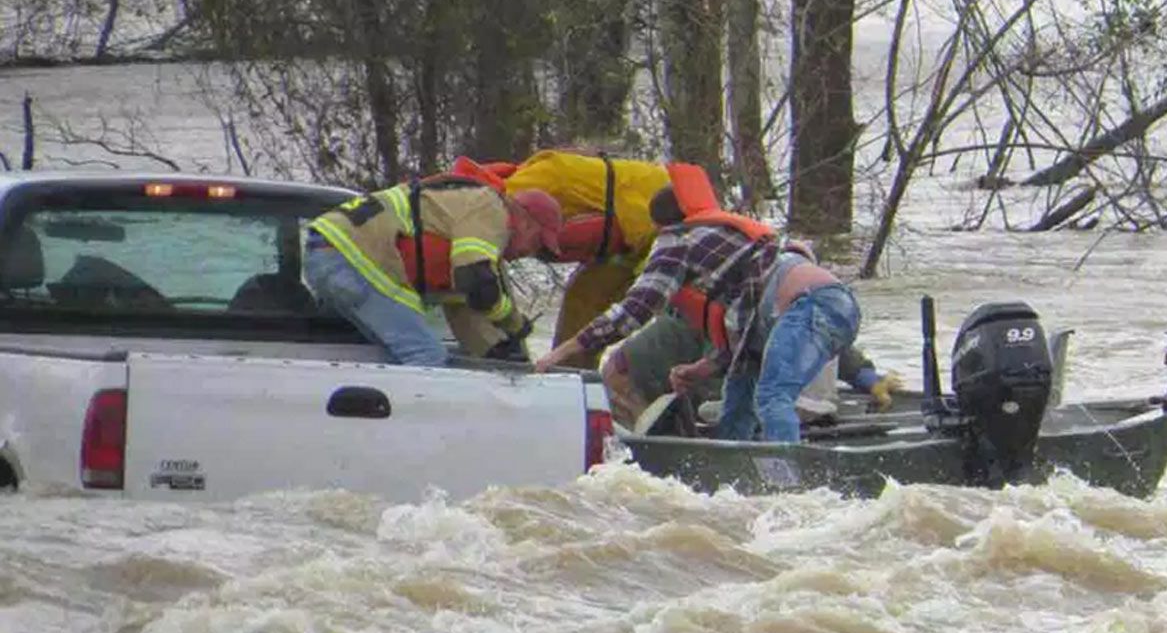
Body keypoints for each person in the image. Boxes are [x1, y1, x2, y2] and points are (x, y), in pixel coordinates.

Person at [534, 162, 863, 443]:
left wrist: (562, 352)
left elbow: (635, 309)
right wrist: (698, 370)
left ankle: (789, 482)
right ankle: (733, 472)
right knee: (737, 399)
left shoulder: (678, 237)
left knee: (772, 397)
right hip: (819, 310)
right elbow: (739, 339)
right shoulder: (727, 243)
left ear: (662, 225)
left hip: (812, 306)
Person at [305, 175, 564, 366]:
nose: (529, 254)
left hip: (329, 251)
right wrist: (512, 321)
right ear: (527, 222)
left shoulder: (462, 223)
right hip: (353, 257)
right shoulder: (492, 211)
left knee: (390, 357)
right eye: (538, 244)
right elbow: (476, 283)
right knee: (427, 360)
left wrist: (497, 352)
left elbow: (462, 304)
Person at [449, 149, 671, 369]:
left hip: (647, 225)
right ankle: (567, 376)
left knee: (589, 312)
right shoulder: (515, 194)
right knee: (580, 310)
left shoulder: (522, 190)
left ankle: (570, 379)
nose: (518, 255)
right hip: (633, 229)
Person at [601, 315, 903, 430]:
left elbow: (824, 337)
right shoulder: (736, 307)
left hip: (675, 376)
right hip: (632, 378)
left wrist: (868, 379)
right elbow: (721, 374)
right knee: (632, 469)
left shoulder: (794, 301)